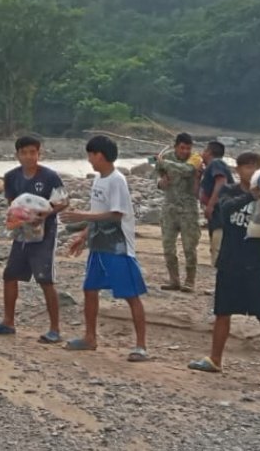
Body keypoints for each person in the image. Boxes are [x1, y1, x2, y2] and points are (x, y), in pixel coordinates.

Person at [188, 152, 260, 386]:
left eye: (255, 166)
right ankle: (215, 360)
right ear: (238, 170)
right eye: (245, 166)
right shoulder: (230, 191)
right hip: (230, 262)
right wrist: (249, 197)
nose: (250, 171)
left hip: (257, 264)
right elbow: (224, 210)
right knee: (222, 313)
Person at [61, 135, 149, 361]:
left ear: (99, 155)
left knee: (131, 295)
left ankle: (141, 346)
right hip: (99, 245)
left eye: (90, 155)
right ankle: (90, 337)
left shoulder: (117, 180)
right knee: (90, 289)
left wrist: (81, 215)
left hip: (118, 246)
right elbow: (98, 211)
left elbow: (116, 214)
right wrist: (84, 235)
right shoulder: (99, 179)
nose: (89, 160)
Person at [0, 136, 67, 343]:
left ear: (39, 153)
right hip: (21, 234)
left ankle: (55, 329)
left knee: (45, 279)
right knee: (10, 275)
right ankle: (8, 322)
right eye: (24, 153)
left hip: (44, 234)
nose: (29, 157)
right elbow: (12, 204)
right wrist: (16, 219)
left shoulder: (50, 176)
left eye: (33, 152)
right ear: (17, 155)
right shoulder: (11, 176)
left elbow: (63, 202)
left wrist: (44, 216)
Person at [155, 132, 201, 292]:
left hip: (188, 209)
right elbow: (158, 175)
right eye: (182, 148)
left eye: (188, 148)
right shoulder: (166, 156)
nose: (185, 151)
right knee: (168, 246)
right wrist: (160, 183)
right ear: (176, 147)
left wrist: (164, 163)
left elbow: (187, 170)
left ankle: (190, 281)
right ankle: (174, 280)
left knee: (189, 247)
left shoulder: (195, 158)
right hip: (169, 207)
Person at [200, 141, 234, 268]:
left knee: (218, 248)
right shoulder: (209, 168)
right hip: (215, 216)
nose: (202, 154)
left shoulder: (216, 163)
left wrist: (210, 205)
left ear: (209, 152)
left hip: (221, 213)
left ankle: (224, 283)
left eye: (204, 150)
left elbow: (221, 181)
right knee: (216, 247)